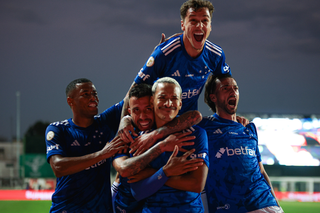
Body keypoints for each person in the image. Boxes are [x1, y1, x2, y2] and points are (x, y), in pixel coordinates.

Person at [121, 0, 231, 119]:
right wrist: (125, 123)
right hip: (159, 121)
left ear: (210, 26)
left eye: (205, 20)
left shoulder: (215, 55)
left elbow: (227, 85)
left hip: (187, 121)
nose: (200, 25)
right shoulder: (164, 53)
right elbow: (134, 90)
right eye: (193, 20)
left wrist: (232, 116)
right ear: (183, 25)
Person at [112, 83, 204, 213]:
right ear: (130, 112)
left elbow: (196, 116)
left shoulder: (178, 129)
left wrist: (156, 135)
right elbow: (126, 171)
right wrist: (162, 147)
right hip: (124, 206)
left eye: (148, 109)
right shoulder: (127, 135)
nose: (143, 116)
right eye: (136, 110)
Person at [198, 74, 283, 212]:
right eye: (226, 88)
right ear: (213, 97)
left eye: (235, 88)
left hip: (267, 203)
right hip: (231, 207)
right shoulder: (204, 126)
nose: (233, 91)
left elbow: (261, 170)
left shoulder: (249, 128)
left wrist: (276, 203)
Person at [45, 78, 128, 212]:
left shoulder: (104, 123)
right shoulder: (57, 129)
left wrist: (155, 61)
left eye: (95, 94)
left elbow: (131, 97)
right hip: (66, 208)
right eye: (86, 94)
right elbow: (58, 167)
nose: (93, 98)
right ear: (70, 101)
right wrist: (101, 155)